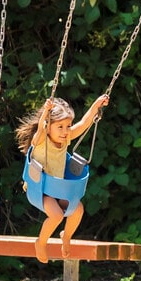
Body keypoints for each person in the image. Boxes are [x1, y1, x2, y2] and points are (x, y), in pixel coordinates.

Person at [16, 94, 109, 263]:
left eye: (68, 126)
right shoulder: (41, 140)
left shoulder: (65, 140)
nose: (66, 131)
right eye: (60, 127)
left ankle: (66, 236)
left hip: (57, 190)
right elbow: (39, 131)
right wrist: (45, 113)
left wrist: (96, 105)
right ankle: (41, 242)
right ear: (48, 126)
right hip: (40, 190)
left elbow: (83, 124)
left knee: (78, 209)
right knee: (57, 215)